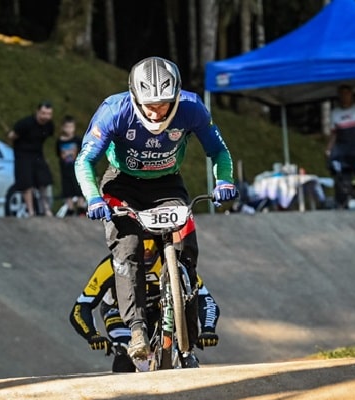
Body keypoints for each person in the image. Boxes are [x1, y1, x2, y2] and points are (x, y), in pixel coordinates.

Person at [73, 56, 237, 364]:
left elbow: (218, 151)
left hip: (167, 184)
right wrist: (93, 198)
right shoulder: (114, 111)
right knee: (129, 249)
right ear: (134, 96)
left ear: (176, 96)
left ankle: (185, 321)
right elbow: (84, 160)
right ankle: (136, 328)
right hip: (121, 185)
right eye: (148, 104)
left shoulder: (192, 108)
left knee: (186, 245)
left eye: (163, 104)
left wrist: (224, 180)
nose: (155, 111)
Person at [69, 238, 221, 372]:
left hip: (159, 309)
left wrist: (208, 329)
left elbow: (203, 297)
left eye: (151, 253)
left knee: (181, 348)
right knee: (125, 353)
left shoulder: (173, 263)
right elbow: (81, 306)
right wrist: (92, 335)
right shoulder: (111, 265)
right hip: (119, 313)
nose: (146, 257)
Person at [7, 101, 55, 217]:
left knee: (44, 180)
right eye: (43, 113)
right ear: (38, 112)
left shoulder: (49, 125)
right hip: (23, 154)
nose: (45, 117)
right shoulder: (25, 123)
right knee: (26, 183)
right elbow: (11, 136)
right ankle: (31, 211)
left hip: (37, 153)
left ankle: (46, 208)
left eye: (48, 114)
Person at [55, 115, 85, 215]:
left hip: (77, 169)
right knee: (67, 189)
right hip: (65, 169)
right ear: (63, 128)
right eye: (67, 127)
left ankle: (81, 207)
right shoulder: (60, 141)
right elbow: (59, 154)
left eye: (71, 127)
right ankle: (70, 207)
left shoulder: (77, 140)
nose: (69, 129)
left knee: (78, 188)